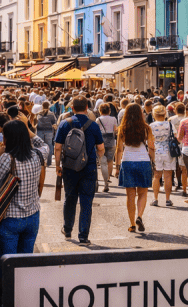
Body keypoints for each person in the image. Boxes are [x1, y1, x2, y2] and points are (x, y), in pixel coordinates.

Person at [0, 120, 46, 257]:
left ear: (8, 138)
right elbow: (44, 145)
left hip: (10, 218)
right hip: (32, 216)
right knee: (25, 262)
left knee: (9, 263)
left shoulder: (7, 158)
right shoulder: (37, 155)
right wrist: (28, 130)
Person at [54, 96, 105, 246]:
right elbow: (101, 148)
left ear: (72, 108)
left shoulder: (65, 123)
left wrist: (58, 165)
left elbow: (57, 147)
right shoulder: (93, 125)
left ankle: (67, 229)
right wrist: (97, 158)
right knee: (86, 201)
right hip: (88, 167)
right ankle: (83, 236)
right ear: (87, 108)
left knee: (70, 198)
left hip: (69, 167)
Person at [115, 103, 154, 233]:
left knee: (130, 195)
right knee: (143, 193)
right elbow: (151, 147)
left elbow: (119, 149)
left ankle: (132, 224)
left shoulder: (122, 128)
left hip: (127, 162)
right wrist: (153, 161)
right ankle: (139, 216)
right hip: (143, 161)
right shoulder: (146, 128)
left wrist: (117, 166)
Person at [149, 104, 177, 207]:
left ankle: (155, 198)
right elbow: (175, 137)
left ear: (154, 114)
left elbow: (149, 141)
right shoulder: (170, 125)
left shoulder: (151, 126)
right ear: (165, 114)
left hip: (156, 152)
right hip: (168, 152)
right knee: (168, 176)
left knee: (156, 176)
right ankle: (168, 199)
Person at [96, 103, 118, 192]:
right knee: (110, 161)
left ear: (100, 111)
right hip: (111, 141)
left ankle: (105, 182)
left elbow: (97, 131)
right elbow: (115, 130)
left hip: (101, 141)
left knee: (102, 162)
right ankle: (108, 177)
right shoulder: (113, 119)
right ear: (109, 111)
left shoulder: (98, 119)